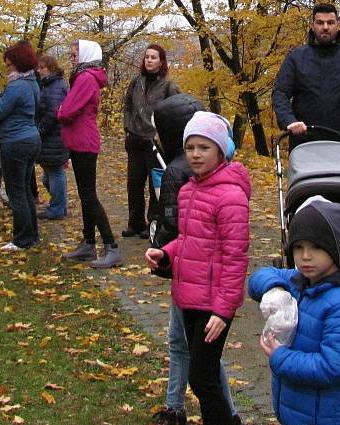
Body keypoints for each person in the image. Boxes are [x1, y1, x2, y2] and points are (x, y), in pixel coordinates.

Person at [145, 112, 250, 425]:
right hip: (189, 295)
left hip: (213, 303)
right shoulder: (189, 189)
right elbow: (189, 240)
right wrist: (166, 253)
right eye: (190, 147)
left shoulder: (231, 195)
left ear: (220, 150)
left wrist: (223, 310)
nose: (195, 154)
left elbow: (235, 257)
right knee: (203, 377)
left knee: (202, 378)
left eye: (204, 147)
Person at [249, 197, 340, 425]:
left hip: (326, 416)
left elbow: (335, 367)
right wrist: (274, 289)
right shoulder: (300, 281)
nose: (305, 256)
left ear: (334, 249)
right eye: (298, 247)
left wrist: (280, 358)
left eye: (316, 247)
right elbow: (259, 277)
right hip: (296, 411)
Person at [272, 2, 340, 151]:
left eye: (330, 22)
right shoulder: (296, 57)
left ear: (338, 25)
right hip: (304, 146)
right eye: (320, 22)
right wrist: (289, 121)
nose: (325, 27)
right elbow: (280, 93)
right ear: (312, 25)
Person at [58, 40, 123, 269]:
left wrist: (61, 110)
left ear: (85, 54)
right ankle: (88, 243)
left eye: (74, 53)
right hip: (79, 141)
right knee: (86, 194)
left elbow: (67, 110)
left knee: (88, 195)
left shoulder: (86, 78)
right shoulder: (84, 77)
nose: (71, 57)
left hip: (84, 141)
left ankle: (111, 245)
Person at [0, 41, 41, 251]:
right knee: (25, 189)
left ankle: (21, 238)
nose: (7, 67)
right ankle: (31, 234)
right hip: (31, 138)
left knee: (16, 192)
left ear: (16, 62)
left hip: (15, 141)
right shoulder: (32, 83)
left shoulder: (16, 86)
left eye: (9, 64)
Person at [122, 44, 180, 239]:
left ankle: (152, 223)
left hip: (155, 143)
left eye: (153, 57)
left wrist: (162, 135)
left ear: (161, 61)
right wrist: (128, 128)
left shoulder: (168, 86)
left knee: (155, 185)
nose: (149, 60)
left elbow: (176, 111)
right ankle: (135, 222)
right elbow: (128, 106)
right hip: (135, 140)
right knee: (134, 184)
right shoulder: (136, 83)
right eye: (147, 57)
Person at [36, 54, 69, 220]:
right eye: (39, 67)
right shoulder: (50, 85)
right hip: (53, 136)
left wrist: (39, 130)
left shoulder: (55, 86)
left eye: (43, 67)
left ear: (51, 68)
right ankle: (60, 205)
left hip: (54, 137)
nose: (40, 71)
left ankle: (58, 207)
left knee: (54, 174)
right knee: (49, 175)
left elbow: (52, 113)